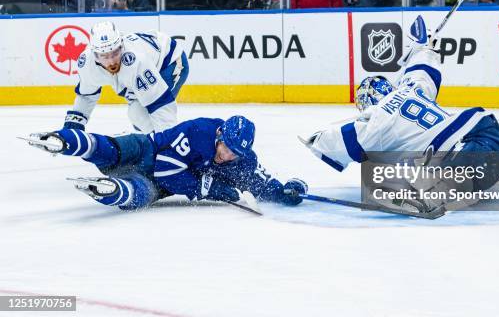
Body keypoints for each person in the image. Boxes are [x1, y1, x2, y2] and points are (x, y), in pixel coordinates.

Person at [300, 16, 499, 212]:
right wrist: (425, 45)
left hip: (465, 152)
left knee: (378, 177)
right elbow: (424, 66)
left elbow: (336, 141)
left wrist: (314, 139)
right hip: (491, 138)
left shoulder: (376, 123)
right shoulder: (410, 88)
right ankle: (455, 187)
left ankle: (434, 194)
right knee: (410, 163)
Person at [24, 115, 309, 211]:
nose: (227, 156)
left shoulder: (243, 160)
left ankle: (109, 190)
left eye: (235, 153)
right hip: (148, 149)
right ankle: (62, 141)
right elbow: (165, 168)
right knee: (114, 150)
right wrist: (211, 189)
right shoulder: (201, 131)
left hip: (162, 184)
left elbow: (262, 184)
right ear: (220, 134)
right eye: (226, 148)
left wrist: (287, 190)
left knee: (139, 194)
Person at [63, 21, 189, 134]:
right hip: (149, 59)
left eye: (115, 53)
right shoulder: (87, 63)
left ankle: (161, 143)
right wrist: (74, 127)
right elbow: (86, 96)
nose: (112, 62)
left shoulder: (135, 61)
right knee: (140, 119)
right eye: (105, 56)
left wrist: (169, 143)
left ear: (121, 46)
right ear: (95, 55)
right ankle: (152, 141)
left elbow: (160, 103)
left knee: (138, 113)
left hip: (170, 61)